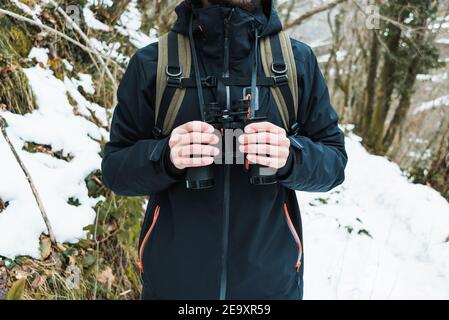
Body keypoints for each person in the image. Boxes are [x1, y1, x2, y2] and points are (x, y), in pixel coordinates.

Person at [102, 0, 347, 300]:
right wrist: (165, 157)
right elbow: (115, 170)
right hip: (174, 288)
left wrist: (290, 156)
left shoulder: (297, 63)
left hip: (271, 289)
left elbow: (334, 164)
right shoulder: (154, 64)